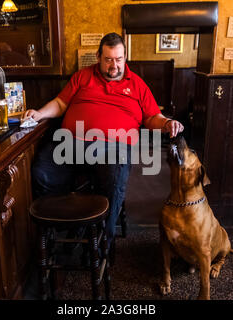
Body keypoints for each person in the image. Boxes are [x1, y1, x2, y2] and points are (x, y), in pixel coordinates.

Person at [22, 32, 184, 248]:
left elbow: (151, 116)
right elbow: (61, 103)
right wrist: (40, 113)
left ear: (125, 57)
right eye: (108, 59)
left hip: (114, 146)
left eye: (118, 59)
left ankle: (100, 241)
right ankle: (67, 228)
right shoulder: (82, 76)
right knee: (41, 173)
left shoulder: (137, 84)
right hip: (70, 141)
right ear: (98, 56)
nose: (113, 66)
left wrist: (166, 123)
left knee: (113, 179)